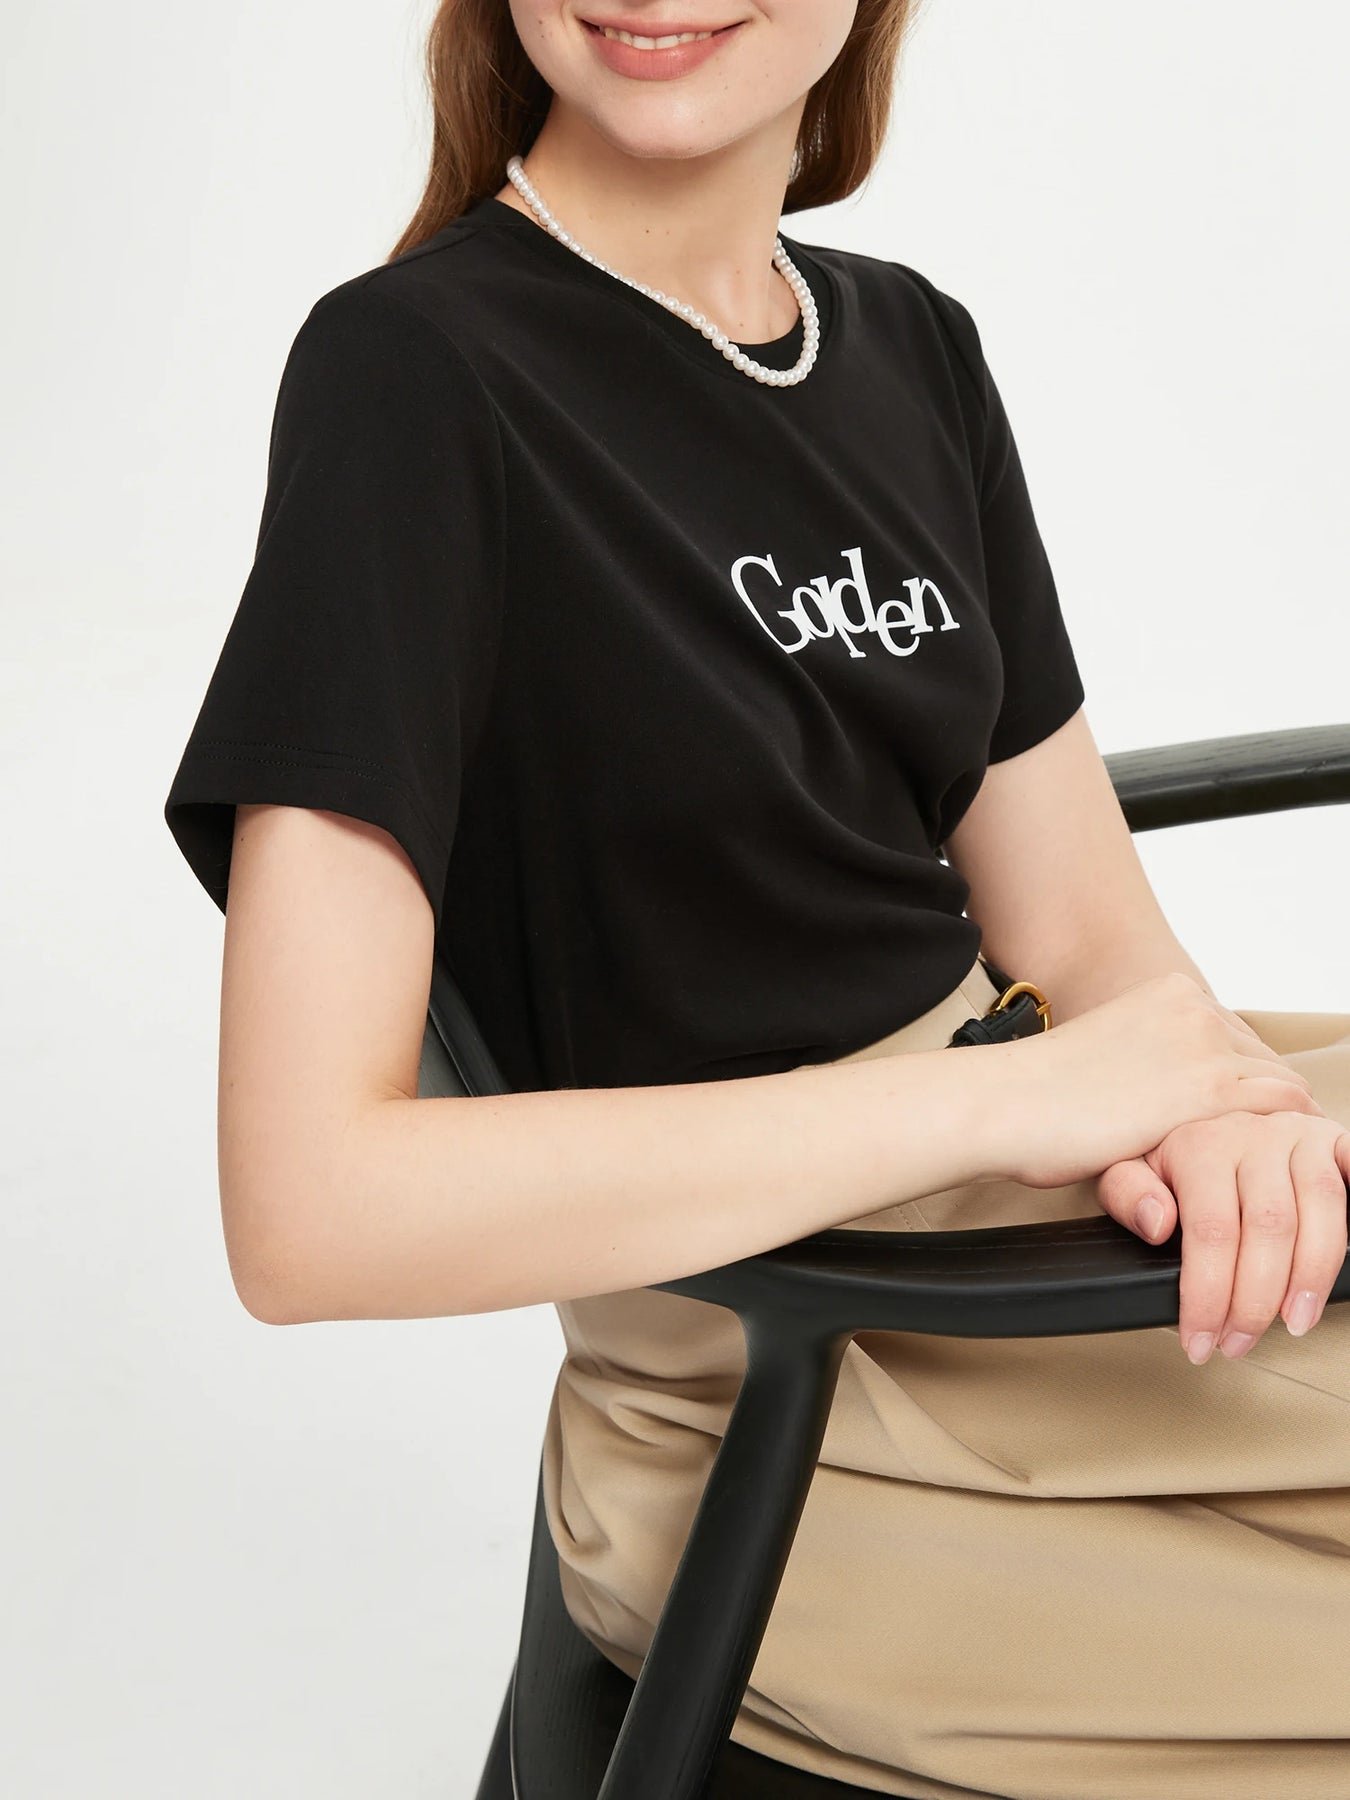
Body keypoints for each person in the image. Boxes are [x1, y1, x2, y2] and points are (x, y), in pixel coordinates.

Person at [162, 3, 1350, 1795]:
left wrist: (1221, 1109)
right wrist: (1012, 1099)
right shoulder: (414, 376)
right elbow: (311, 1213)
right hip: (810, 1378)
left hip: (1047, 1215)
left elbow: (1090, 942)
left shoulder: (910, 343)